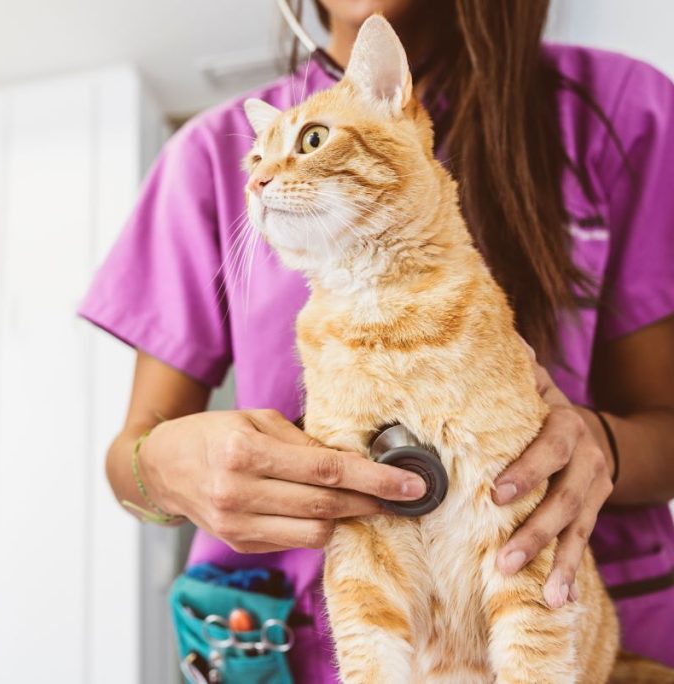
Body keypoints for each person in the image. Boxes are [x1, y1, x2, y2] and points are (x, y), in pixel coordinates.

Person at [78, 0, 674, 679]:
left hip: (555, 626)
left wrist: (600, 446)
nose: (271, 170)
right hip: (308, 642)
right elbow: (129, 458)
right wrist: (163, 470)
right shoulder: (215, 156)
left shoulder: (619, 109)